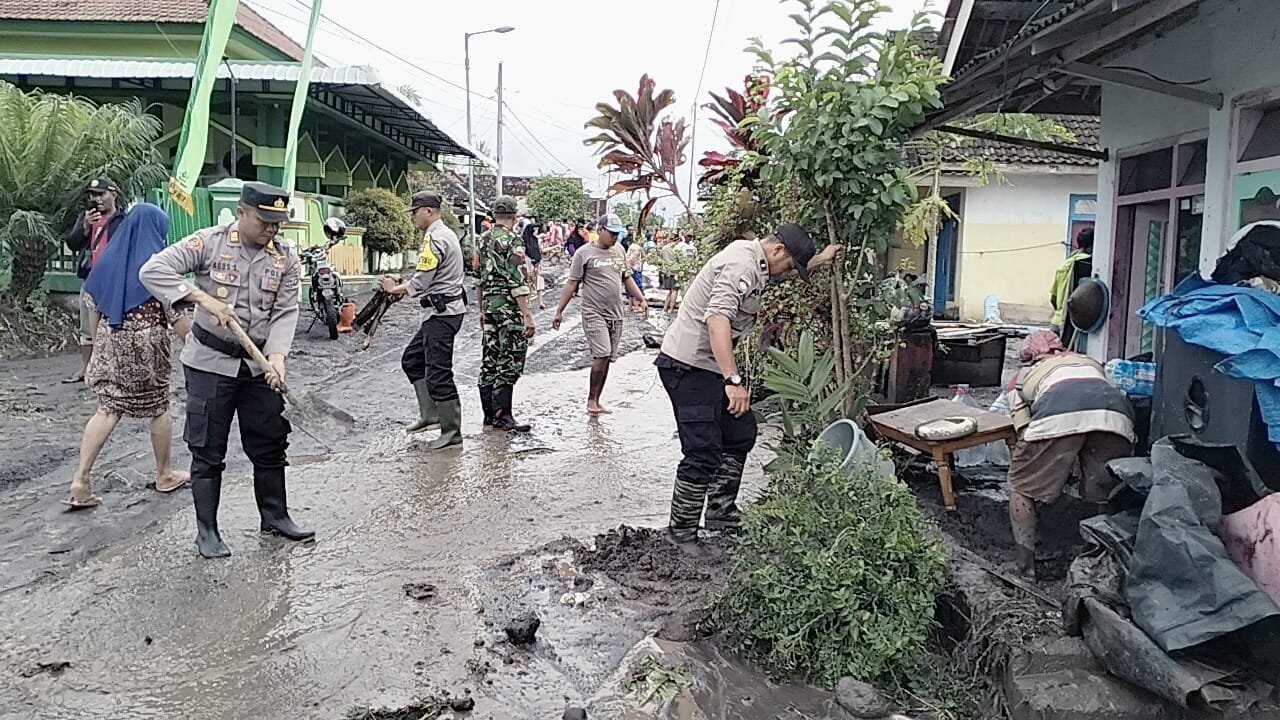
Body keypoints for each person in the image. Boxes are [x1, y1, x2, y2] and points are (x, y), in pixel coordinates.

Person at [140, 182, 311, 559]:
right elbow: (153, 270)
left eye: (277, 223)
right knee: (207, 448)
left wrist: (278, 357)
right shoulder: (209, 243)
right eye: (265, 221)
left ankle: (275, 516)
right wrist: (197, 296)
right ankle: (207, 531)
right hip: (208, 364)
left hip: (258, 365)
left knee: (269, 442)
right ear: (242, 213)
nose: (272, 230)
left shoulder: (285, 258)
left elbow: (285, 312)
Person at [656, 224, 841, 552]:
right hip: (688, 366)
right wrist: (733, 381)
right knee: (702, 450)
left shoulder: (758, 260)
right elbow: (717, 320)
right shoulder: (741, 265)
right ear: (778, 251)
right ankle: (680, 532)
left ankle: (720, 511)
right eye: (789, 265)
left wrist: (821, 259)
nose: (787, 274)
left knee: (740, 432)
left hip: (709, 366)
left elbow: (785, 270)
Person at [64, 204, 192, 509]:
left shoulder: (108, 260)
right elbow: (176, 316)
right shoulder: (157, 266)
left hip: (110, 337)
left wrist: (99, 349)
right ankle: (164, 475)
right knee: (159, 408)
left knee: (107, 408)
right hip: (147, 346)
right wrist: (199, 346)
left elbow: (93, 303)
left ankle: (80, 480)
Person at [1004, 331, 1135, 579]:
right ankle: (1101, 561)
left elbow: (1025, 432)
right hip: (1116, 417)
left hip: (1057, 414)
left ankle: (1025, 569)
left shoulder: (1019, 379)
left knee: (1020, 486)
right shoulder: (1090, 362)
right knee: (1104, 490)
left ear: (1030, 356)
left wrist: (1042, 474)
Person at [379, 191, 467, 450]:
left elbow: (421, 280)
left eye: (415, 212)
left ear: (428, 211)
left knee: (439, 372)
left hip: (443, 314)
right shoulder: (442, 235)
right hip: (440, 313)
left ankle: (452, 431)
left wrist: (394, 288)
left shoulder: (436, 239)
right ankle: (431, 415)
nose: (413, 218)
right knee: (412, 360)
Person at [552, 213, 648, 415]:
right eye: (611, 233)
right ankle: (591, 400)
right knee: (602, 352)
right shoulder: (584, 254)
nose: (614, 237)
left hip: (616, 313)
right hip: (593, 312)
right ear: (600, 230)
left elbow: (626, 277)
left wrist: (641, 298)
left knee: (607, 358)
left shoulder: (619, 251)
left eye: (617, 234)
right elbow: (572, 283)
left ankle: (597, 400)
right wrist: (559, 311)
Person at [477, 195, 537, 432]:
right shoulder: (514, 240)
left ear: (493, 214)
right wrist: (527, 314)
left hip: (489, 306)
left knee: (490, 358)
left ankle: (489, 416)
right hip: (508, 308)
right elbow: (517, 278)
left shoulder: (481, 240)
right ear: (515, 216)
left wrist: (481, 309)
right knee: (509, 358)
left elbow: (478, 278)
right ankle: (504, 416)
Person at [62, 177, 126, 384]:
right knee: (87, 329)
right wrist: (85, 227)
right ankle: (87, 368)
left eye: (101, 194)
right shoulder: (86, 218)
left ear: (113, 194)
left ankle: (114, 369)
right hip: (90, 281)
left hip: (113, 283)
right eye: (93, 195)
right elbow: (72, 243)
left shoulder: (122, 221)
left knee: (115, 326)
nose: (96, 199)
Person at [1050, 227, 1094, 335]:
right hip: (1074, 327)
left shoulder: (1064, 264)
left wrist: (1060, 312)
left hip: (1057, 322)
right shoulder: (1088, 264)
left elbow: (1053, 298)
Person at [521, 220, 546, 309]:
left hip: (537, 263)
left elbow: (540, 251)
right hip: (528, 263)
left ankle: (540, 302)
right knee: (529, 283)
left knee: (539, 282)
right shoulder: (524, 241)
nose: (536, 231)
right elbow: (524, 253)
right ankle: (528, 301)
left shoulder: (536, 240)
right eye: (535, 229)